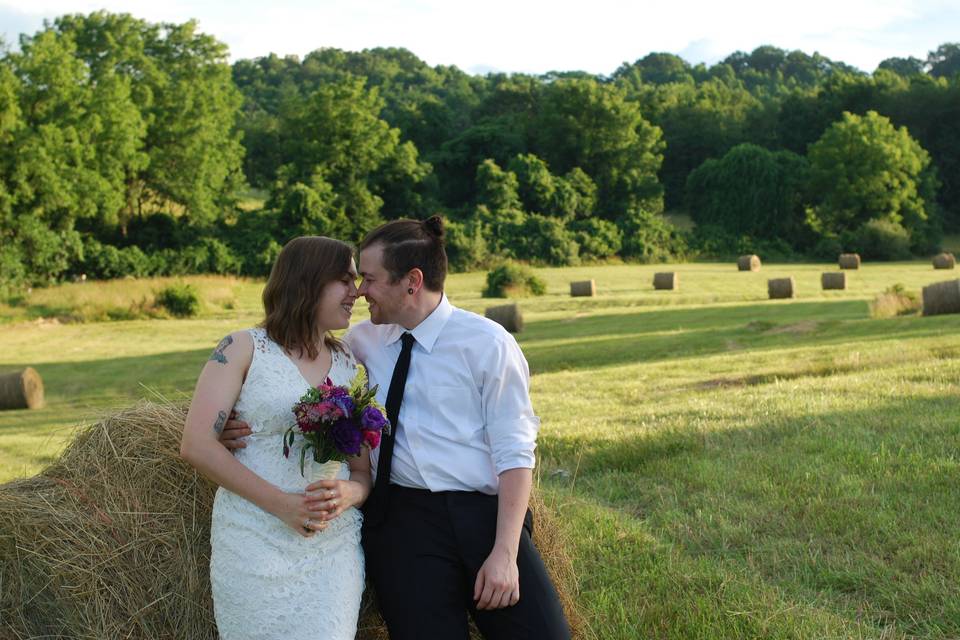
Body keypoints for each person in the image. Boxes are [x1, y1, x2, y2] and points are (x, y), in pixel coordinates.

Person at [222, 216, 570, 639]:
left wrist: (505, 552)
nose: (360, 291)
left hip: (483, 515)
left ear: (412, 281)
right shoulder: (360, 341)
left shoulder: (488, 344)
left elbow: (516, 452)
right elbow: (290, 369)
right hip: (404, 522)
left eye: (369, 278)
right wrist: (240, 425)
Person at [180, 236, 371, 640]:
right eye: (345, 280)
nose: (356, 293)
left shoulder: (350, 364)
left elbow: (361, 473)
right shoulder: (242, 348)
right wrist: (283, 505)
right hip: (252, 538)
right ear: (309, 282)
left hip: (330, 547)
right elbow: (196, 443)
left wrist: (349, 495)